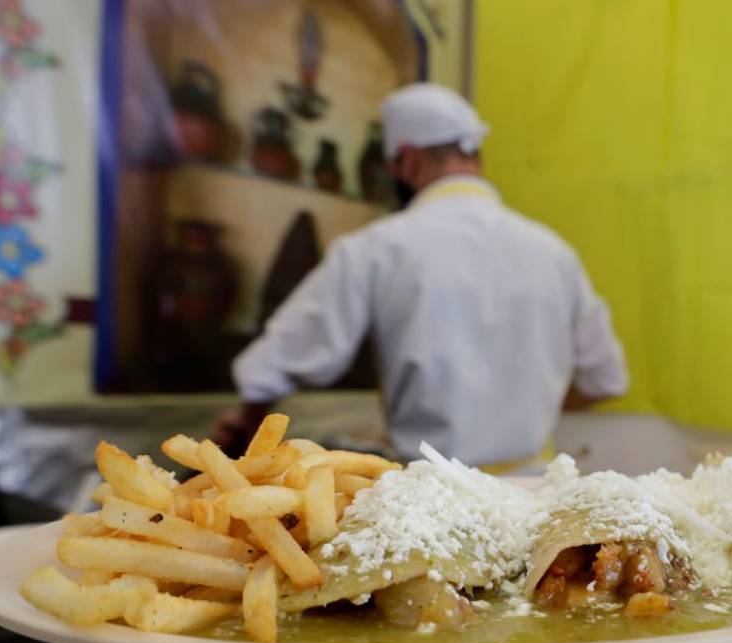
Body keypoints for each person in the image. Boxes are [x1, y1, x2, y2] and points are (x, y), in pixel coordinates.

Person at [213, 83, 628, 469]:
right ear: (475, 158)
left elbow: (271, 366)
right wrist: (526, 405)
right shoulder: (553, 251)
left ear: (407, 160)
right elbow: (605, 378)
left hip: (430, 501)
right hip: (535, 489)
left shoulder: (377, 248)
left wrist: (247, 433)